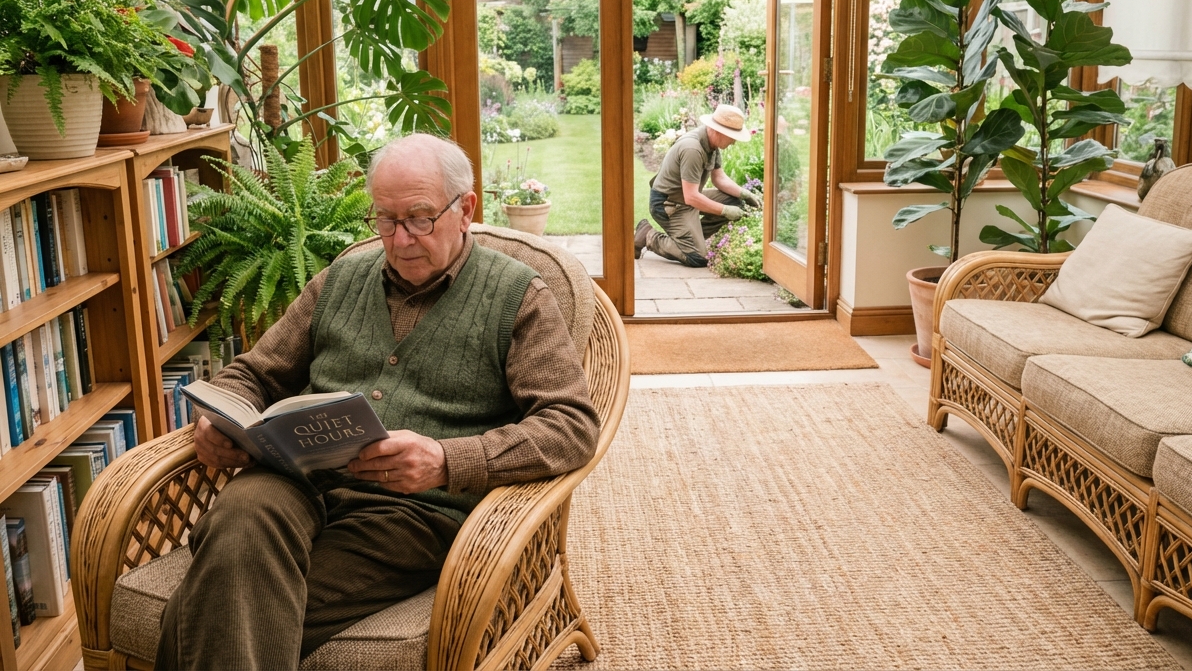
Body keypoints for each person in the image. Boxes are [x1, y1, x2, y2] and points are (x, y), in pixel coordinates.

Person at [155, 133, 600, 670]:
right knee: (243, 512)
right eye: (385, 220)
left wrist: (445, 460)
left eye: (418, 218)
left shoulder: (518, 297)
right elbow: (252, 373)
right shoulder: (339, 280)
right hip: (294, 484)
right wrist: (219, 418)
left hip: (410, 517)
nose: (400, 239)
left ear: (466, 210)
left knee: (203, 610)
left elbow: (571, 425)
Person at [634, 103, 762, 268]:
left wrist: (744, 194)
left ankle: (691, 238)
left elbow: (719, 178)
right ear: (717, 131)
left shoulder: (711, 144)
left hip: (685, 199)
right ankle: (649, 236)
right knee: (698, 257)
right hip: (669, 204)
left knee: (735, 201)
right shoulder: (692, 149)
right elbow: (692, 197)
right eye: (732, 137)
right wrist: (725, 211)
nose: (733, 142)